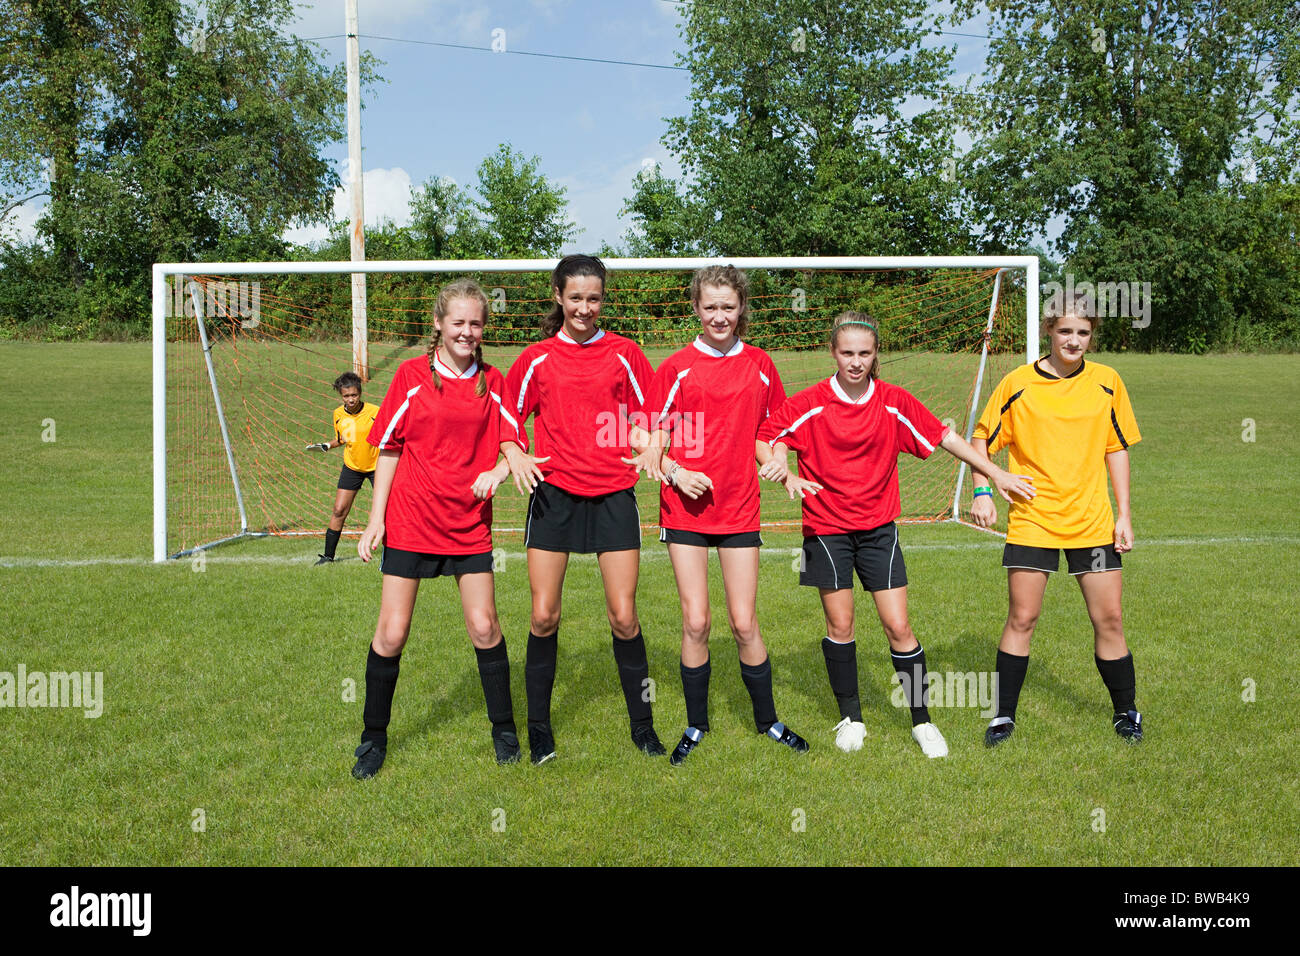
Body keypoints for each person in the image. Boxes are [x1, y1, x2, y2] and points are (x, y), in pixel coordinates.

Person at [756, 312, 1034, 758]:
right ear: (833, 352)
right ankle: (852, 718)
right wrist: (782, 467)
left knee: (899, 626)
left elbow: (944, 437)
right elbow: (768, 436)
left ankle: (922, 722)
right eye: (847, 353)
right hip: (825, 532)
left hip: (879, 532)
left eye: (864, 353)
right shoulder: (810, 401)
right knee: (840, 625)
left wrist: (993, 474)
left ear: (875, 355)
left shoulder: (892, 401)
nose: (855, 362)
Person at [349, 279, 529, 779]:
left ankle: (504, 729)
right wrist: (375, 519)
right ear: (438, 324)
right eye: (458, 323)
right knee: (392, 631)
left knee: (484, 625)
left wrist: (499, 467)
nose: (467, 332)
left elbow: (515, 439)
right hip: (412, 520)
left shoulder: (493, 381)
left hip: (469, 525)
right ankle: (373, 738)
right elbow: (388, 448)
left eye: (475, 323)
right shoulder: (411, 376)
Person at [499, 254, 667, 764]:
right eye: (576, 297)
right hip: (554, 498)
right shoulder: (535, 358)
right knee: (544, 615)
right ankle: (541, 730)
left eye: (594, 298)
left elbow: (655, 413)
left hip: (614, 496)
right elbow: (509, 417)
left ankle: (643, 726)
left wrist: (655, 447)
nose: (585, 307)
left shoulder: (624, 354)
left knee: (623, 617)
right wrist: (515, 451)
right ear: (558, 297)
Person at [646, 265, 808, 765]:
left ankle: (769, 722)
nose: (720, 316)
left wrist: (778, 464)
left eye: (728, 307)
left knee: (743, 621)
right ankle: (696, 725)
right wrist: (675, 472)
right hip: (685, 511)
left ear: (742, 309)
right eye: (710, 306)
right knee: (696, 621)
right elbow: (646, 441)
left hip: (739, 508)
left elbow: (771, 435)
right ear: (695, 308)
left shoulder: (760, 364)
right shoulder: (675, 368)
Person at [971, 290, 1143, 747]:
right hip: (1033, 519)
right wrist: (985, 488)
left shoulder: (1108, 381)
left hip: (1092, 522)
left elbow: (1116, 448)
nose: (1073, 340)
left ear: (1092, 336)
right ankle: (1002, 717)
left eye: (1083, 332)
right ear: (1048, 330)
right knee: (1022, 617)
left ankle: (1126, 712)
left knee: (1109, 619)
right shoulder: (1017, 383)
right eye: (1065, 330)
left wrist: (1124, 515)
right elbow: (981, 438)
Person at [305, 371, 379, 565]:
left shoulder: (375, 412)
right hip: (352, 466)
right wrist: (327, 445)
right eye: (346, 396)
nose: (351, 399)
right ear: (341, 396)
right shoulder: (338, 414)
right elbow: (344, 438)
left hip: (377, 467)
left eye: (354, 395)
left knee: (385, 512)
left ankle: (392, 555)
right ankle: (328, 556)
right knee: (339, 510)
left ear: (360, 393)